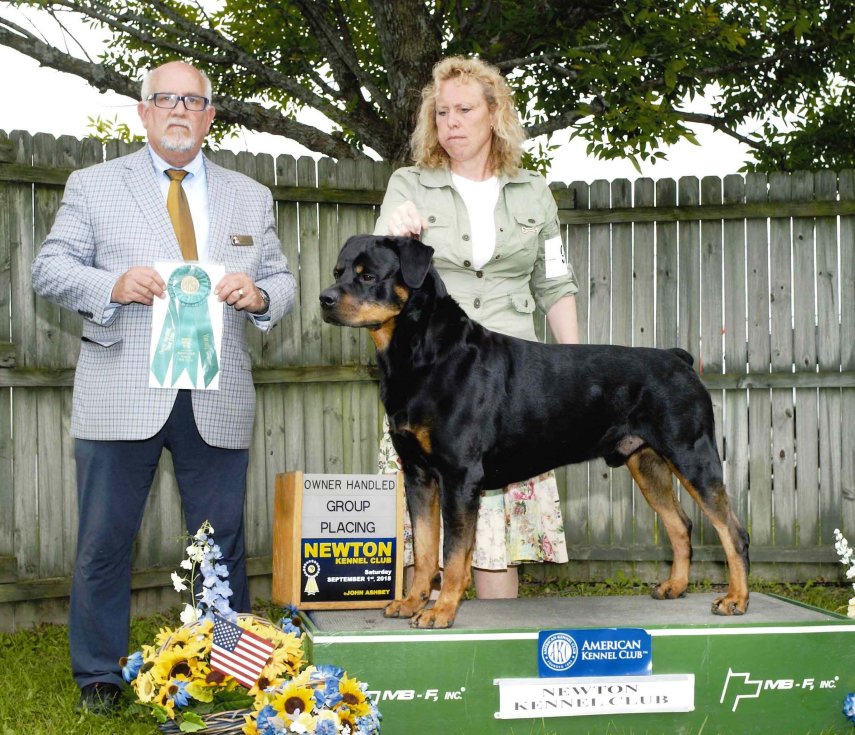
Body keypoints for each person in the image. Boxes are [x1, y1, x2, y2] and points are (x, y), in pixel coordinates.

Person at [31, 60, 296, 714]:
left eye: (193, 100)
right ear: (143, 111)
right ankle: (98, 673)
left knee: (223, 539)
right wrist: (110, 286)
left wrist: (259, 294)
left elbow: (284, 282)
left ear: (210, 115)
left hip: (217, 393)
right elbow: (48, 268)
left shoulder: (249, 195)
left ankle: (227, 663)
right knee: (104, 540)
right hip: (121, 392)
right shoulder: (92, 185)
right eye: (165, 99)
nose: (179, 109)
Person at [375, 56, 579, 600]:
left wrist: (573, 366)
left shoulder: (533, 192)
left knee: (498, 544)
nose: (452, 122)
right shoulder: (409, 184)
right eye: (442, 112)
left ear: (495, 114)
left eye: (465, 109)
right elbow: (378, 270)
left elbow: (554, 284)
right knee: (423, 526)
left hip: (513, 385)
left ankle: (496, 660)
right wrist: (396, 234)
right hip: (429, 381)